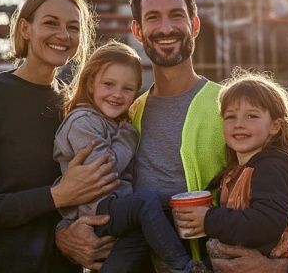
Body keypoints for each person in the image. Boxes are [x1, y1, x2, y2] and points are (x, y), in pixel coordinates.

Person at [56, 0, 288, 273]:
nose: (166, 28)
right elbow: (79, 188)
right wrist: (63, 233)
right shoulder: (126, 116)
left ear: (195, 24)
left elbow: (286, 202)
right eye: (153, 18)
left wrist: (283, 266)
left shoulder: (230, 111)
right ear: (137, 30)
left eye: (176, 15)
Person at [0, 0, 118, 273]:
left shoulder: (75, 107)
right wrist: (55, 195)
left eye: (73, 27)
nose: (63, 35)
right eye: (51, 23)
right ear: (25, 28)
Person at [54, 40, 203, 273]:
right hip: (99, 208)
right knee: (146, 204)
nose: (117, 94)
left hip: (117, 206)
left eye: (127, 88)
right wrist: (128, 136)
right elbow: (105, 168)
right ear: (91, 83)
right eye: (109, 84)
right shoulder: (83, 121)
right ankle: (183, 266)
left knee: (163, 210)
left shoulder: (107, 121)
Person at [172, 71, 288, 271]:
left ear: (275, 126)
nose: (239, 124)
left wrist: (208, 219)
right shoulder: (237, 170)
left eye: (251, 116)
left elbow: (267, 223)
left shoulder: (271, 168)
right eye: (230, 116)